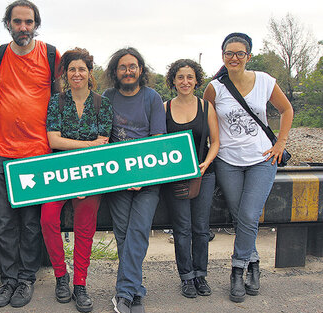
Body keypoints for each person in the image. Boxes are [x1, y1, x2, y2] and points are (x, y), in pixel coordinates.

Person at [203, 32, 293, 303]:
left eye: (239, 53)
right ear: (223, 56)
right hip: (228, 160)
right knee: (240, 216)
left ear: (248, 56)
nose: (234, 58)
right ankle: (254, 262)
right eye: (229, 53)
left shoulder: (265, 81)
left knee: (250, 215)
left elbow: (286, 110)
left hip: (262, 159)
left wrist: (281, 142)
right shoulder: (214, 88)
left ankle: (237, 269)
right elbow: (204, 121)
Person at [0, 0, 61, 308]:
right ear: (8, 24)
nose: (23, 27)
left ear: (36, 25)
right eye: (17, 22)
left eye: (28, 22)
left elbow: (62, 99)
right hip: (1, 150)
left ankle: (27, 278)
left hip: (37, 153)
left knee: (31, 222)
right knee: (3, 221)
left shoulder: (49, 54)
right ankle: (8, 279)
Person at [40, 47, 112, 313]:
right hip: (59, 172)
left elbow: (102, 144)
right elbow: (53, 140)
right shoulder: (56, 102)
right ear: (65, 74)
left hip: (91, 175)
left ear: (89, 73)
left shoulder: (102, 103)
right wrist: (87, 144)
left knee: (85, 227)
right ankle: (61, 275)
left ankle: (80, 283)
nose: (77, 74)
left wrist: (88, 148)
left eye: (82, 69)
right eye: (72, 70)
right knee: (48, 218)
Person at [103, 47, 166, 313]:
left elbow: (158, 139)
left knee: (138, 231)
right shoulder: (107, 97)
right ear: (115, 72)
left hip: (147, 179)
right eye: (122, 67)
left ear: (140, 69)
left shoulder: (152, 97)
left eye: (132, 66)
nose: (128, 71)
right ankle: (135, 291)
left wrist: (141, 176)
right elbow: (103, 138)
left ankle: (124, 294)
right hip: (117, 179)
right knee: (123, 234)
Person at [163, 59, 219, 298]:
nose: (185, 82)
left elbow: (215, 141)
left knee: (201, 227)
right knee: (182, 228)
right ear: (173, 81)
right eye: (180, 77)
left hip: (204, 174)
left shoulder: (206, 107)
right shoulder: (164, 108)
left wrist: (206, 163)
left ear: (196, 80)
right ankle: (186, 277)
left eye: (189, 77)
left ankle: (200, 275)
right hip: (176, 177)